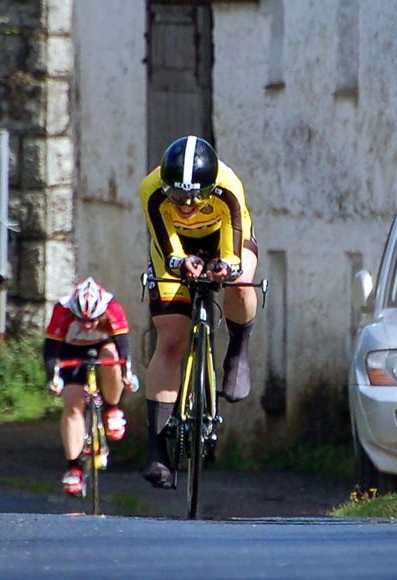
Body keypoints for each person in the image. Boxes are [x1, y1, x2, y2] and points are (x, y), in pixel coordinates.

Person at [139, 135, 259, 488]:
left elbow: (234, 244)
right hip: (175, 244)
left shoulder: (228, 186)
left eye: (196, 196)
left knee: (240, 283)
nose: (188, 204)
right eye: (178, 196)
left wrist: (226, 267)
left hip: (225, 237)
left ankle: (238, 351)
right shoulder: (152, 189)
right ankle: (157, 447)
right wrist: (180, 262)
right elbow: (165, 241)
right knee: (172, 340)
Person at [43, 277, 136, 496]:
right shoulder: (62, 311)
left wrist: (128, 374)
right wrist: (53, 378)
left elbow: (124, 346)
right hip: (70, 351)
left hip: (103, 347)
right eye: (81, 320)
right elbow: (51, 350)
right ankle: (73, 467)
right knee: (73, 404)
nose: (86, 326)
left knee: (112, 357)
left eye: (93, 321)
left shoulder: (113, 308)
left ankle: (112, 409)